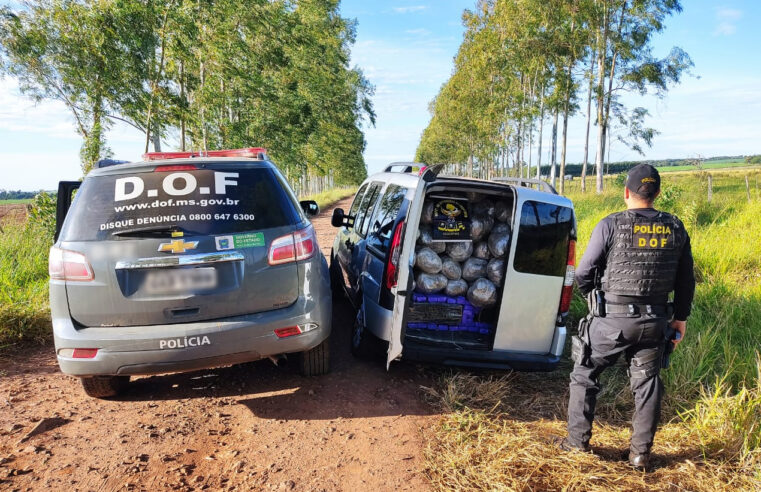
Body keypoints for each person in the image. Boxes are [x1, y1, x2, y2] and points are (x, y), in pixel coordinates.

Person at [560, 164, 695, 470]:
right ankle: (639, 455)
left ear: (625, 193)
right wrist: (681, 318)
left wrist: (592, 297)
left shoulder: (610, 224)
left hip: (611, 322)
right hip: (655, 322)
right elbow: (686, 280)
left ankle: (576, 444)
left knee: (584, 375)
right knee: (647, 384)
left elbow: (583, 272)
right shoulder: (675, 227)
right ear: (657, 193)